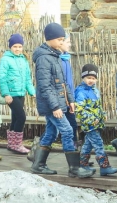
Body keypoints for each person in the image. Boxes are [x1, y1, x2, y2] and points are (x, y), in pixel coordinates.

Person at [31, 23, 94, 178]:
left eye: (62, 39)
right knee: (67, 130)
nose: (61, 42)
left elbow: (64, 82)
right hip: (52, 105)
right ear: (50, 39)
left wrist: (70, 101)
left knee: (51, 132)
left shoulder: (55, 56)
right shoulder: (44, 59)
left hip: (60, 103)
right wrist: (55, 107)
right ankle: (74, 168)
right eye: (59, 39)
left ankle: (38, 164)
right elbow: (45, 86)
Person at [75, 63, 117, 176]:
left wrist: (102, 114)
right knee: (99, 144)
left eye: (93, 78)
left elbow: (97, 106)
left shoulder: (95, 90)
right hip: (89, 124)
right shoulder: (81, 92)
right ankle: (104, 167)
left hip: (97, 123)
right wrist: (90, 119)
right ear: (83, 77)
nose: (91, 80)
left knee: (88, 145)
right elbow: (79, 109)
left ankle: (83, 164)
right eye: (88, 78)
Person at [0, 33, 36, 155]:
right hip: (11, 94)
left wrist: (32, 91)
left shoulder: (23, 60)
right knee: (21, 117)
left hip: (21, 93)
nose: (18, 49)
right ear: (10, 47)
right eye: (15, 46)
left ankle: (12, 144)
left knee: (15, 117)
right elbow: (2, 78)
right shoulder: (5, 59)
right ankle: (17, 144)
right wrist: (6, 94)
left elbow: (27, 78)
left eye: (20, 46)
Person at [60, 34, 79, 147]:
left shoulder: (66, 59)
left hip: (68, 98)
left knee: (72, 124)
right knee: (54, 129)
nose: (69, 44)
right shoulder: (59, 60)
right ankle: (38, 151)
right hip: (61, 99)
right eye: (67, 42)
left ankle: (75, 152)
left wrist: (71, 99)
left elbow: (69, 82)